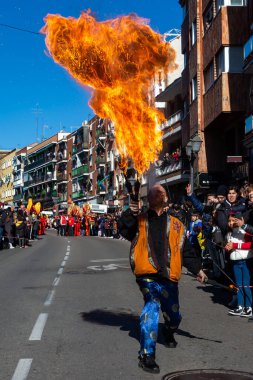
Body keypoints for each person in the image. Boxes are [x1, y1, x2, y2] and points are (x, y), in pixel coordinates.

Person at [118, 184, 207, 374]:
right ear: (148, 199)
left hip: (169, 277)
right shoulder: (139, 220)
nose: (156, 194)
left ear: (165, 198)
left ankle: (169, 329)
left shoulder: (177, 224)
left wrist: (198, 269)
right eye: (153, 193)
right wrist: (130, 212)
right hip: (147, 276)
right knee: (151, 306)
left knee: (174, 314)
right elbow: (124, 230)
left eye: (160, 192)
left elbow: (187, 251)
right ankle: (147, 355)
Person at [225, 212, 253, 317]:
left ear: (240, 220)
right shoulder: (230, 233)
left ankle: (248, 307)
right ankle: (240, 306)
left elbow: (250, 244)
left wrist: (235, 245)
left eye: (234, 220)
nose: (232, 223)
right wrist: (227, 248)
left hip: (245, 260)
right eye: (230, 221)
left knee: (246, 285)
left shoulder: (245, 231)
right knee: (238, 285)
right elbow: (229, 246)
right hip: (235, 261)